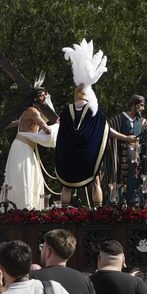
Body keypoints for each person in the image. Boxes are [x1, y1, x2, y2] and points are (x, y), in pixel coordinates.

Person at [52, 40, 111, 207]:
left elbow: (62, 133)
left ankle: (64, 210)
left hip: (69, 154)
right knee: (96, 180)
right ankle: (98, 209)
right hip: (88, 153)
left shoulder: (65, 111)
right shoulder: (95, 112)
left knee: (66, 184)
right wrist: (126, 138)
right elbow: (105, 130)